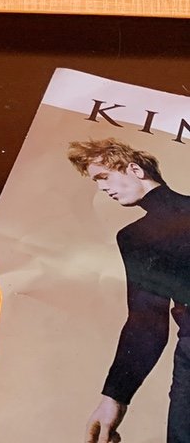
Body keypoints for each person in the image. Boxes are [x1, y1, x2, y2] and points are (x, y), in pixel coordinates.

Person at [68, 137, 190, 443]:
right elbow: (147, 323)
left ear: (135, 170)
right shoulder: (135, 237)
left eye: (104, 177)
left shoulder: (138, 237)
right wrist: (114, 398)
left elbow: (147, 324)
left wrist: (115, 399)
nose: (101, 188)